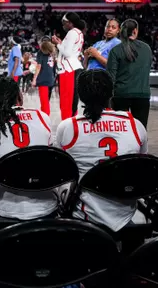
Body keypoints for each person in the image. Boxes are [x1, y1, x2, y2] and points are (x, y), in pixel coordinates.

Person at [56, 69, 148, 232]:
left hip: (84, 215)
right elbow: (141, 167)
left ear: (81, 96)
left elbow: (60, 172)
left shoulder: (68, 127)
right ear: (111, 92)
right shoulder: (135, 125)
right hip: (126, 211)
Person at [0, 78, 55, 220]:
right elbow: (49, 154)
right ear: (19, 96)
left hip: (2, 205)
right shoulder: (42, 117)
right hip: (45, 202)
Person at [107, 19, 152, 128]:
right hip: (142, 95)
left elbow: (110, 77)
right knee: (140, 131)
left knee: (121, 131)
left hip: (120, 95)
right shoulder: (147, 48)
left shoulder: (115, 50)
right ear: (135, 31)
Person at [52, 12, 85, 120]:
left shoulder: (72, 33)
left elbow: (67, 53)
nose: (63, 25)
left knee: (66, 102)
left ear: (70, 23)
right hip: (74, 67)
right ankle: (71, 125)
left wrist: (57, 44)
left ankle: (66, 127)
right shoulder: (78, 33)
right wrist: (60, 43)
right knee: (72, 102)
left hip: (68, 69)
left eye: (64, 22)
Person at [32, 36, 56, 115]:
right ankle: (47, 117)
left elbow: (39, 66)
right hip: (51, 79)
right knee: (47, 101)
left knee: (44, 103)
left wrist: (34, 79)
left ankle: (45, 120)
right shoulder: (53, 52)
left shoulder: (40, 52)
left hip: (43, 79)